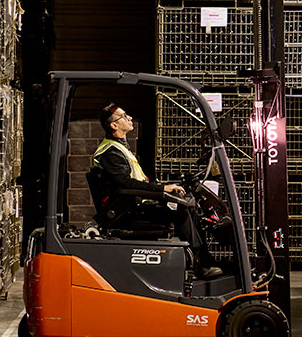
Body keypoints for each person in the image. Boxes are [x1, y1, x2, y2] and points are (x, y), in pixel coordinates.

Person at [92, 103, 222, 280]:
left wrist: (167, 187)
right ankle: (201, 265)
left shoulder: (119, 147)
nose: (129, 118)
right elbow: (125, 184)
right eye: (124, 116)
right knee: (181, 210)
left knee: (187, 205)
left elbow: (137, 182)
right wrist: (162, 189)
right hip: (126, 212)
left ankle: (205, 260)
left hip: (135, 204)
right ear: (114, 125)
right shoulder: (111, 152)